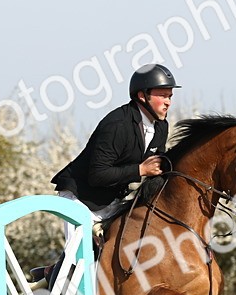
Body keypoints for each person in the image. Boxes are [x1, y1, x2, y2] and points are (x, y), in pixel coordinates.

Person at [51, 63, 179, 222]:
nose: (168, 102)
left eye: (170, 96)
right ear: (142, 96)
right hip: (80, 197)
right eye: (162, 96)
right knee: (77, 247)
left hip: (112, 199)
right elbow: (97, 175)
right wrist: (140, 170)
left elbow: (157, 169)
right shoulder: (118, 125)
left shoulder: (161, 126)